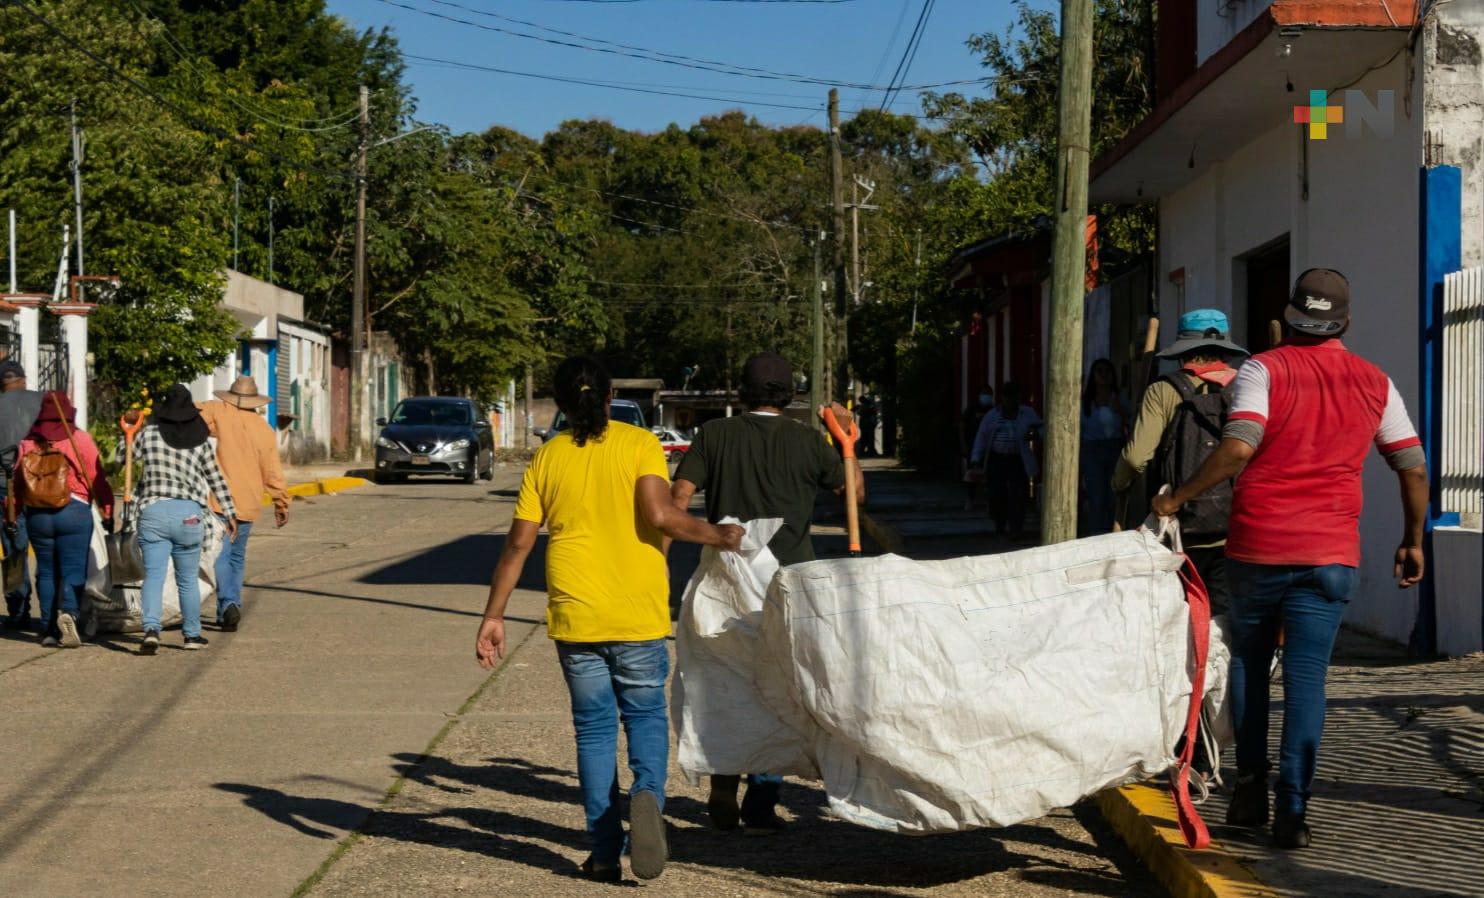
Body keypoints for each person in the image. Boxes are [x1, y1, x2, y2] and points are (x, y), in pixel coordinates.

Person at [1153, 270, 1428, 850]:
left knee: (1252, 665)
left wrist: (1176, 497)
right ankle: (1294, 810)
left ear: (1288, 314)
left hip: (1258, 547)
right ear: (1345, 322)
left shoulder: (1263, 369)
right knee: (1307, 680)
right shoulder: (1375, 381)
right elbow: (1411, 464)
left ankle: (1250, 790)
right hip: (1330, 554)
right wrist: (1413, 539)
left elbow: (1237, 447)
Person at [475, 355, 742, 883]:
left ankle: (602, 850)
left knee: (593, 730)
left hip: (576, 611)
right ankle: (647, 799)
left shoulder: (547, 457)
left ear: (562, 403)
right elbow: (661, 515)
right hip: (636, 608)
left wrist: (494, 615)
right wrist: (719, 535)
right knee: (643, 716)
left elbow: (518, 544)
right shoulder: (639, 443)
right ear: (606, 396)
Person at [671, 352, 864, 835]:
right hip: (792, 584)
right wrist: (847, 442)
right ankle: (762, 797)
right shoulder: (806, 442)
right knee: (781, 686)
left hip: (727, 576)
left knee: (725, 682)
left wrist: (695, 534)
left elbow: (678, 497)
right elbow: (854, 494)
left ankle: (723, 780)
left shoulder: (715, 435)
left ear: (742, 393)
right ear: (790, 395)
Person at [1113, 310, 1248, 605]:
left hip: (1181, 528)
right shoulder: (1250, 388)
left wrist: (1118, 483)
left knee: (1185, 617)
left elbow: (1136, 458)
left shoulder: (1163, 391)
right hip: (1241, 528)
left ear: (1183, 349)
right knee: (1228, 621)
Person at [130, 385, 238, 655]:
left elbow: (122, 457)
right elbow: (216, 479)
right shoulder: (200, 442)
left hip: (153, 511)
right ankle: (191, 634)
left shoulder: (149, 435)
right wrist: (230, 513)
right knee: (187, 578)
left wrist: (129, 433)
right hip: (188, 516)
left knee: (153, 576)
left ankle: (151, 630)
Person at [13, 391, 113, 647]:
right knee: (73, 568)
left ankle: (47, 629)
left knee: (45, 571)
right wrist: (107, 508)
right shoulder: (79, 438)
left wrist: (11, 512)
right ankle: (69, 613)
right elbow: (96, 476)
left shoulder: (27, 442)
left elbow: (17, 483)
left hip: (38, 515)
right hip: (74, 510)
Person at [199, 376, 289, 632]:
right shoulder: (264, 430)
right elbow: (273, 473)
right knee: (236, 557)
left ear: (231, 396)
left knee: (221, 555)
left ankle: (228, 605)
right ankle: (230, 606)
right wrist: (281, 504)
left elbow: (192, 411)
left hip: (219, 502)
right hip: (249, 503)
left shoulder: (219, 410)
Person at [970, 382, 1041, 540]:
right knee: (996, 494)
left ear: (1018, 397)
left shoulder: (1027, 413)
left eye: (1013, 396)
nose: (1010, 400)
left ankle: (1016, 527)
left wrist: (1035, 433)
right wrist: (976, 459)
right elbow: (981, 438)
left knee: (1018, 494)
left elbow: (1042, 428)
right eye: (1006, 396)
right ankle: (1000, 522)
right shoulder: (992, 415)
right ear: (1002, 397)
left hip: (1017, 459)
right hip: (997, 459)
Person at [0, 361, 42, 629]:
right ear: (24, 380)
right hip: (42, 482)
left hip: (6, 485)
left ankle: (18, 608)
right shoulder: (42, 402)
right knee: (48, 548)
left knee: (13, 550)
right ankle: (55, 608)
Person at [1080, 359, 1127, 534]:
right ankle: (1096, 535)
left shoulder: (1119, 398)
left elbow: (1132, 421)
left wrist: (1119, 410)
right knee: (1096, 496)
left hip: (1114, 448)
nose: (1103, 375)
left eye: (1107, 371)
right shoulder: (1086, 402)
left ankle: (1112, 533)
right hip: (1091, 449)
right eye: (1099, 371)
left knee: (1113, 496)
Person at [960, 385, 993, 511]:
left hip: (989, 448)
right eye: (984, 394)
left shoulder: (993, 410)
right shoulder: (971, 409)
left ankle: (989, 501)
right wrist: (963, 444)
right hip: (972, 445)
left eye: (989, 394)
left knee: (989, 476)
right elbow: (962, 426)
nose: (987, 397)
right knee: (972, 475)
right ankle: (970, 499)